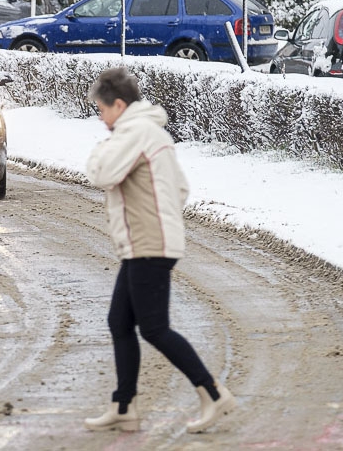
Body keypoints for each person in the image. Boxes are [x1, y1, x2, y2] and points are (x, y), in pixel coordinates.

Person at [82, 67, 236, 434]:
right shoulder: (152, 133)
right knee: (119, 322)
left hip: (147, 243)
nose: (102, 120)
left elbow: (101, 175)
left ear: (118, 105)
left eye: (102, 111)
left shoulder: (134, 133)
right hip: (147, 241)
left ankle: (214, 394)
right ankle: (124, 406)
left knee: (153, 328)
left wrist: (104, 147)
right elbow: (180, 189)